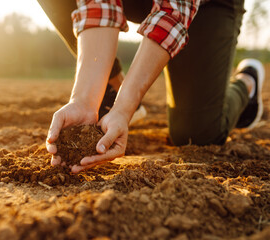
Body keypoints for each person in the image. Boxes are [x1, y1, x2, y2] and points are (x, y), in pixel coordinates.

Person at [38, 0, 266, 173]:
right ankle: (113, 91)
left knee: (196, 133)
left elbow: (173, 12)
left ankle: (247, 83)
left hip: (207, 6)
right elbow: (99, 7)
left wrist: (124, 109)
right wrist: (84, 100)